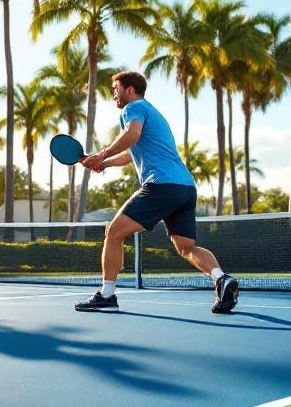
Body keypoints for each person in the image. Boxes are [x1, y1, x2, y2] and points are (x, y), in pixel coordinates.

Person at [75, 71, 238, 313]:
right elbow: (132, 151)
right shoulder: (153, 113)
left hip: (161, 185)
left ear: (130, 90)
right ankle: (222, 279)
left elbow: (132, 135)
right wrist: (104, 163)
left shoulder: (133, 108)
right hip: (185, 188)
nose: (113, 94)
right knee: (186, 248)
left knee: (114, 232)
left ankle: (107, 295)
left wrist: (101, 155)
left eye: (116, 88)